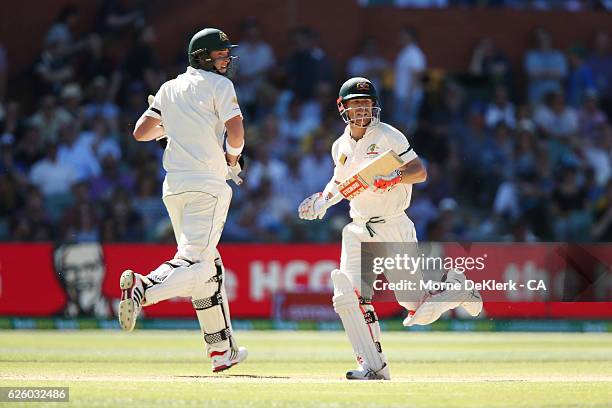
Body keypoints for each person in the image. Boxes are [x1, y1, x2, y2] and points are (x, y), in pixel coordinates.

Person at [298, 77, 482, 380]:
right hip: (359, 229)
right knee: (349, 296)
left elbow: (420, 171)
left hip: (394, 227)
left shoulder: (388, 136)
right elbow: (340, 182)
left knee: (415, 309)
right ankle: (373, 367)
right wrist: (322, 201)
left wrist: (394, 176)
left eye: (365, 104)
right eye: (355, 104)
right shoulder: (340, 145)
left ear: (374, 106)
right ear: (342, 107)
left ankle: (457, 289)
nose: (361, 110)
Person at [118, 28, 248, 372]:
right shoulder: (221, 87)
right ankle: (144, 288)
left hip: (174, 187)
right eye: (220, 55)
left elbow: (142, 132)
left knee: (208, 268)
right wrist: (232, 160)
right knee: (196, 262)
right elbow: (236, 133)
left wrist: (171, 127)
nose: (226, 60)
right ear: (203, 57)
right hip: (208, 183)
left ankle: (222, 350)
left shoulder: (169, 88)